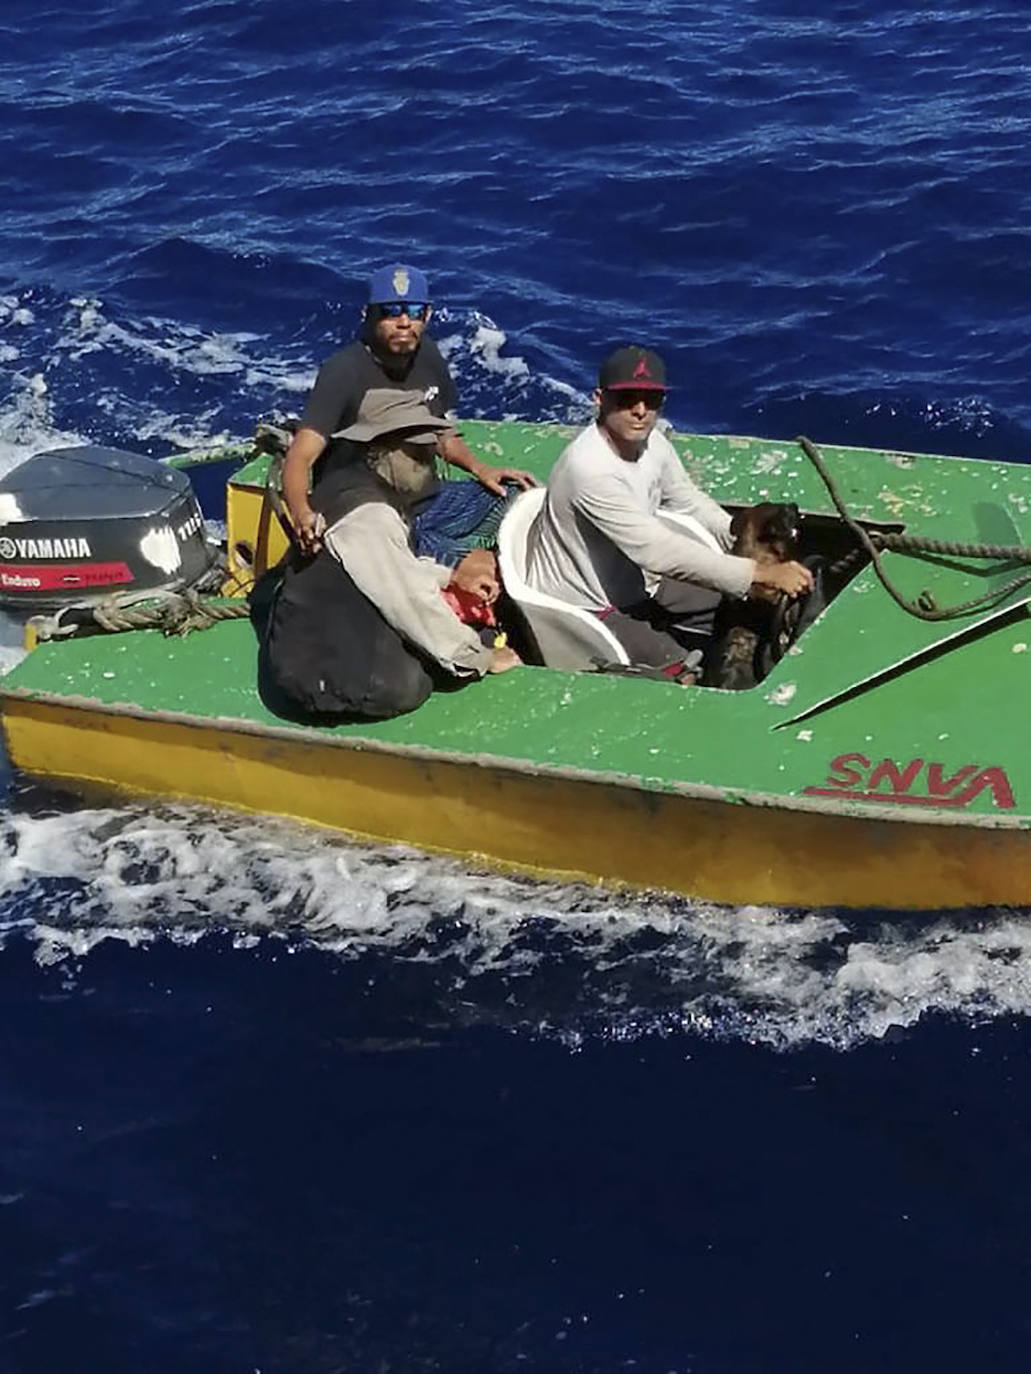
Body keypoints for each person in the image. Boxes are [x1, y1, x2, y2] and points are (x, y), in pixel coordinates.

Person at [525, 346, 813, 678]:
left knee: (742, 605)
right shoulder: (590, 470)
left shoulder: (652, 443)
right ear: (599, 399)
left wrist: (737, 532)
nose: (640, 411)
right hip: (587, 603)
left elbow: (686, 501)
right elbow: (656, 551)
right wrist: (760, 573)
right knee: (684, 672)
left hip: (637, 581)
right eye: (627, 398)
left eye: (652, 400)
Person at [262, 389, 520, 721]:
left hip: (307, 647)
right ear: (380, 450)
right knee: (420, 676)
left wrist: (449, 576)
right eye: (416, 452)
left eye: (429, 449)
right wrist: (480, 658)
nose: (428, 461)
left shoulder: (345, 486)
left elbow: (390, 567)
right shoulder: (370, 516)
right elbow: (408, 601)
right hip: (325, 680)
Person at [282, 262, 534, 555]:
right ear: (368, 316)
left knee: (518, 498)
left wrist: (481, 469)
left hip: (426, 501)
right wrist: (302, 514)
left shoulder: (428, 356)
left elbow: (440, 431)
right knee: (442, 559)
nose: (404, 322)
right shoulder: (342, 372)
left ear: (426, 315)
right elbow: (299, 457)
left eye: (413, 312)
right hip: (368, 513)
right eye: (390, 311)